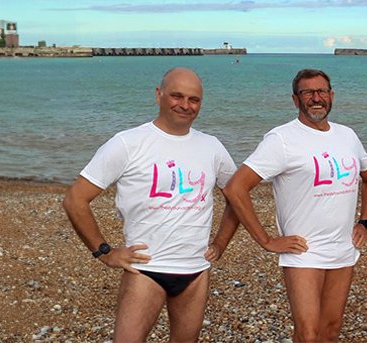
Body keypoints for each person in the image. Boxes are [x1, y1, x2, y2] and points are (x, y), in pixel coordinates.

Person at [62, 67, 241, 342]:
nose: (185, 105)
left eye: (194, 99)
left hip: (195, 270)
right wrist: (105, 252)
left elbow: (237, 196)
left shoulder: (212, 146)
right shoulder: (128, 143)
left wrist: (220, 243)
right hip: (145, 269)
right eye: (176, 96)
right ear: (159, 95)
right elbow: (75, 199)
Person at [222, 68, 367, 342]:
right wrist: (266, 240)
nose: (316, 98)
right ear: (296, 100)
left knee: (330, 331)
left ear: (332, 96)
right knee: (307, 333)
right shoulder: (282, 139)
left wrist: (365, 221)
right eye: (308, 92)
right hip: (304, 251)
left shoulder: (347, 135)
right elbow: (236, 188)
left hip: (343, 247)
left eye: (321, 91)